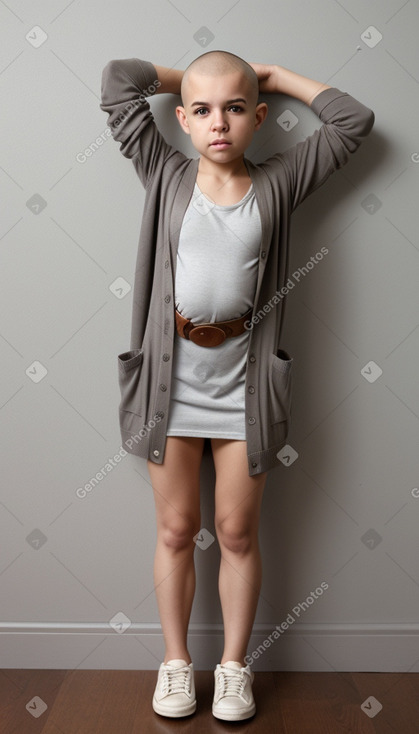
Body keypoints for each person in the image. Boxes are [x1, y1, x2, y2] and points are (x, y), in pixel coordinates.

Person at [100, 50, 374, 722]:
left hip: (242, 390)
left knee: (236, 531)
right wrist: (191, 78)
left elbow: (352, 121)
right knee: (174, 528)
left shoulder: (278, 181)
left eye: (233, 108)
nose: (216, 122)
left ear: (256, 118)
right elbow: (118, 81)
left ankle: (231, 669)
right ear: (184, 121)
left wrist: (274, 78)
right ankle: (173, 665)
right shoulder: (163, 171)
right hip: (170, 386)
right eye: (200, 110)